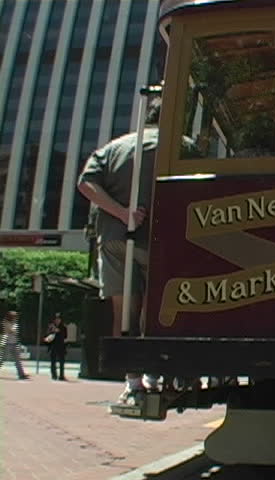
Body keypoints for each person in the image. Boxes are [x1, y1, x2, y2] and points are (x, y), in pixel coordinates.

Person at [77, 97, 163, 403]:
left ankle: (131, 379)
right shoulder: (181, 144)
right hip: (159, 240)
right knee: (153, 312)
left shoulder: (115, 147)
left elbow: (86, 183)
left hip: (116, 239)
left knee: (123, 309)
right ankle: (152, 374)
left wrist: (121, 212)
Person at [0, 311, 29, 380]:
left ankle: (21, 374)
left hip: (14, 343)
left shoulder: (14, 323)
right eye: (14, 316)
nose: (16, 318)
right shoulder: (6, 323)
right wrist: (14, 326)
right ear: (10, 317)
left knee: (17, 360)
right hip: (7, 343)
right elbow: (11, 331)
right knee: (1, 359)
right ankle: (21, 374)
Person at [45, 313, 68, 381]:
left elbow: (65, 336)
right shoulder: (51, 327)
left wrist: (59, 332)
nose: (57, 320)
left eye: (59, 319)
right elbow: (47, 335)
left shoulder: (63, 327)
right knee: (53, 362)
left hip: (61, 346)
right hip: (53, 346)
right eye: (56, 319)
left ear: (60, 320)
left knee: (62, 362)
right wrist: (52, 331)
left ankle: (61, 375)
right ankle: (54, 375)